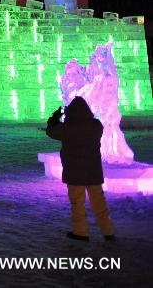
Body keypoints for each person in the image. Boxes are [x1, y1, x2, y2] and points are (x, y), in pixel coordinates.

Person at [45, 97, 116, 241]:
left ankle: (81, 232)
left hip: (75, 171)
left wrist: (54, 118)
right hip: (93, 171)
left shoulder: (68, 128)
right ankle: (108, 231)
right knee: (99, 202)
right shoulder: (96, 125)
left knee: (77, 202)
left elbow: (51, 131)